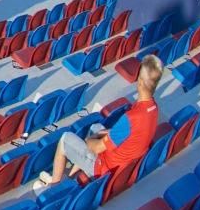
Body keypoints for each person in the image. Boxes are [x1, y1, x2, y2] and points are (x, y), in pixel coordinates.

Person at [34, 56, 165, 192]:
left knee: (65, 139)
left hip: (104, 167)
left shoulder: (131, 118)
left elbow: (96, 148)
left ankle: (53, 188)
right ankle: (71, 176)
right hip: (124, 161)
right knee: (95, 127)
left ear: (140, 81)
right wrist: (104, 133)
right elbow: (132, 133)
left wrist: (91, 139)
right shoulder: (154, 109)